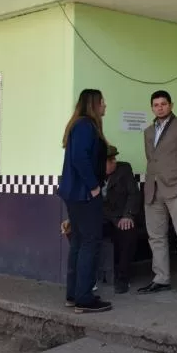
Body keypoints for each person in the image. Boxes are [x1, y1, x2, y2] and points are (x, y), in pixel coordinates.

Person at [138, 90, 177, 300]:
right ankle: (161, 278)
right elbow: (152, 160)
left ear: (171, 105)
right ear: (151, 108)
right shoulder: (148, 131)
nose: (160, 108)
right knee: (156, 237)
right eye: (156, 105)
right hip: (153, 190)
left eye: (163, 104)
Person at [57, 89, 112, 313]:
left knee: (79, 243)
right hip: (85, 195)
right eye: (103, 101)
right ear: (95, 104)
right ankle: (84, 298)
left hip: (77, 194)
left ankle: (75, 295)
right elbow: (80, 158)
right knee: (90, 242)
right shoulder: (85, 126)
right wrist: (94, 187)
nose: (105, 105)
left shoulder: (79, 125)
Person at [100, 145, 142, 294]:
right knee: (81, 232)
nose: (114, 163)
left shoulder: (124, 169)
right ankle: (88, 277)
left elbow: (133, 195)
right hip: (105, 217)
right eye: (110, 160)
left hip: (122, 216)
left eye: (113, 160)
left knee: (128, 233)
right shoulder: (92, 174)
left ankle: (122, 278)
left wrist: (127, 215)